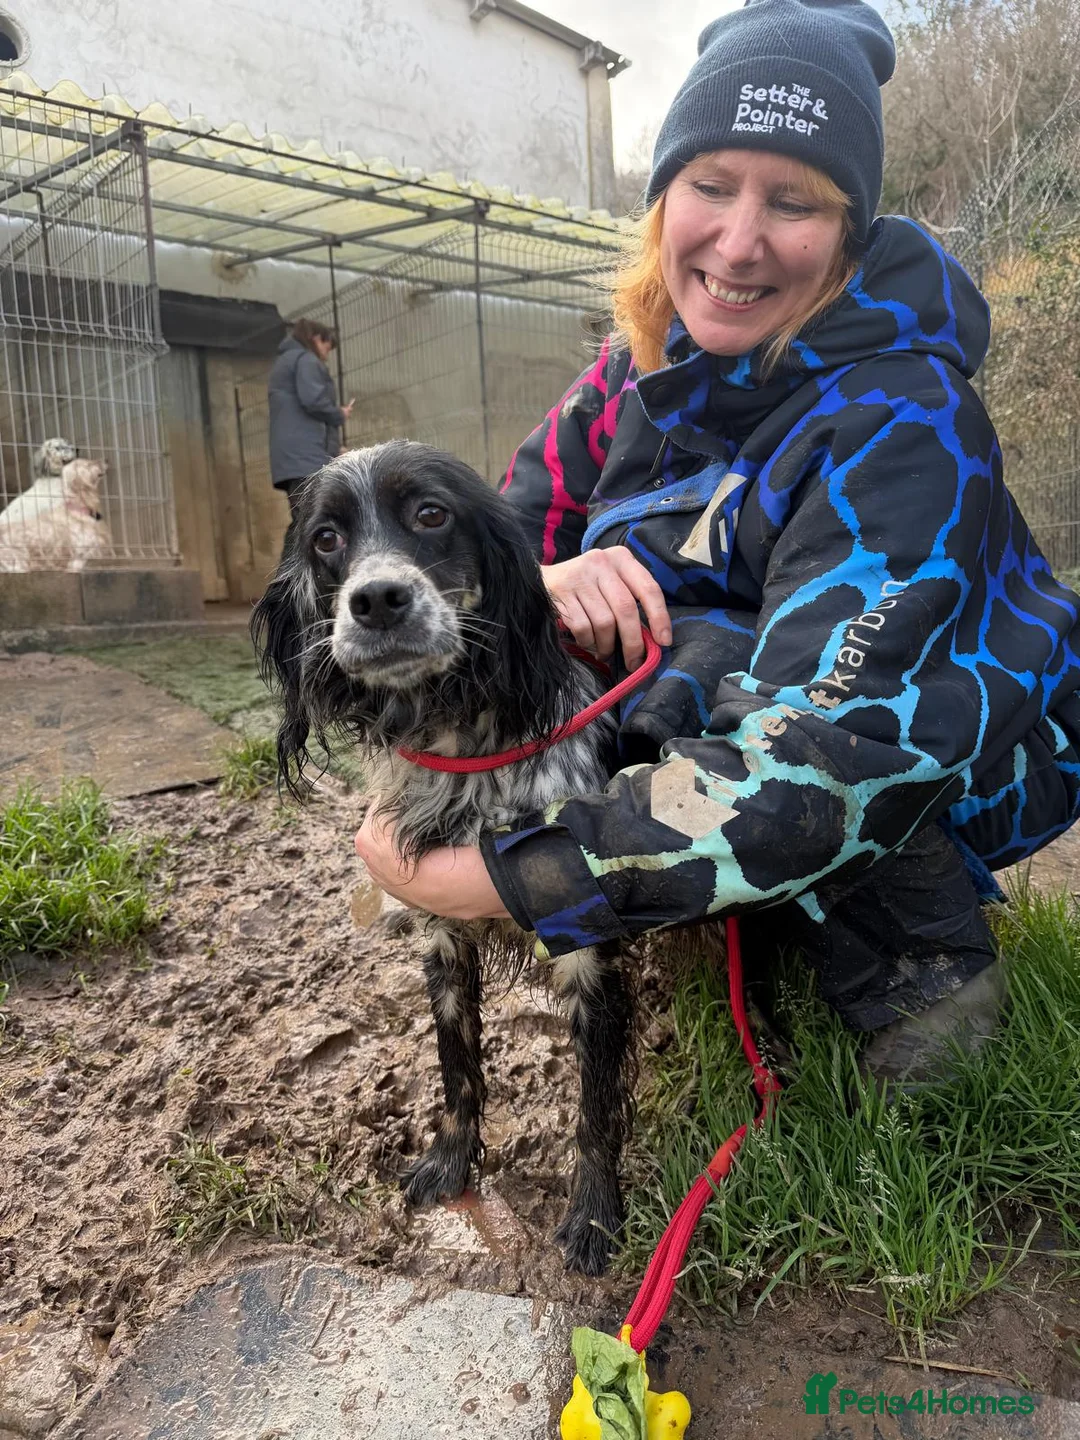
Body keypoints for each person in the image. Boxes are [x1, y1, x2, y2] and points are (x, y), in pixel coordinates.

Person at [355, 0, 1080, 1085]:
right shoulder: (626, 377)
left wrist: (505, 881)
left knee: (746, 709)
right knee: (661, 665)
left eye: (793, 202)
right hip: (742, 715)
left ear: (847, 233)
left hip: (933, 745)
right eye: (709, 185)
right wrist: (553, 578)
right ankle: (713, 902)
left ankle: (928, 969)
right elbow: (494, 557)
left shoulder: (904, 416)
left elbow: (832, 752)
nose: (738, 244)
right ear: (663, 202)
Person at [268, 318, 355, 516]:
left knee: (303, 522)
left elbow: (300, 416)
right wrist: (339, 413)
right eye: (326, 347)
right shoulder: (306, 360)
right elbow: (314, 401)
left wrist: (334, 449)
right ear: (316, 339)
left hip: (292, 459)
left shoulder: (285, 362)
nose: (325, 356)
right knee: (315, 518)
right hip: (307, 459)